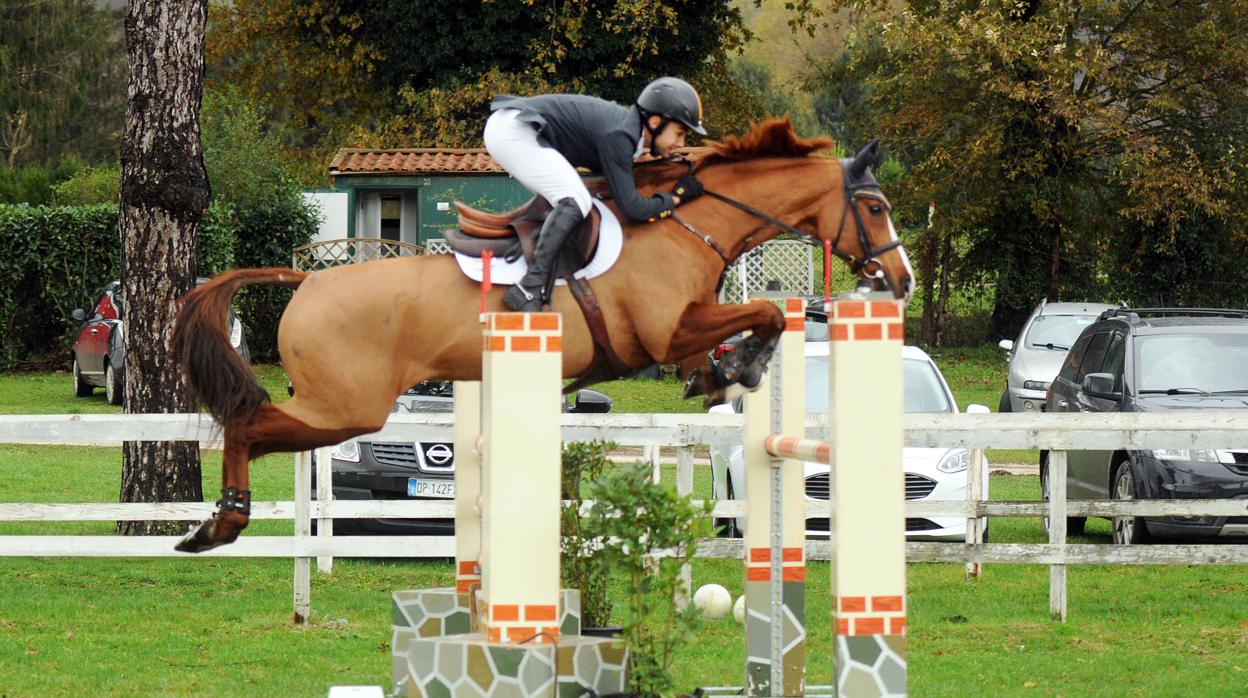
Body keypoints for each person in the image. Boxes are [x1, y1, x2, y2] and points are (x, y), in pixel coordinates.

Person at [484, 76, 708, 312]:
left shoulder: (626, 133)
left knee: (572, 198)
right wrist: (676, 198)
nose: (681, 143)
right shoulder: (620, 135)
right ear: (654, 121)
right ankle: (528, 288)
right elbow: (632, 208)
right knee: (576, 199)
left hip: (514, 126)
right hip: (514, 130)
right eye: (680, 132)